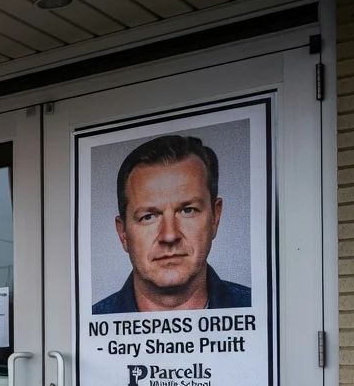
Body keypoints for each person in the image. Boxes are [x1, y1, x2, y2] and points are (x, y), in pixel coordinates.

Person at [92, 134, 251, 314]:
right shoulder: (87, 323)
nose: (169, 235)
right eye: (149, 216)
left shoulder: (263, 310)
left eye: (188, 210)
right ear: (123, 234)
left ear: (215, 217)